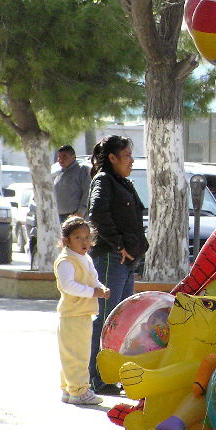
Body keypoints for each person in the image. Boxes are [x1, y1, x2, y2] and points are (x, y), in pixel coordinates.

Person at [86, 135, 148, 395]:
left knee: (122, 321)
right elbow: (97, 213)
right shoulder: (103, 180)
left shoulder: (122, 182)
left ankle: (113, 374)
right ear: (112, 158)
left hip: (127, 262)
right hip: (112, 259)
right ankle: (99, 377)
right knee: (106, 319)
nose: (131, 161)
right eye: (127, 156)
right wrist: (118, 244)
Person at [54, 216, 110, 406]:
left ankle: (69, 389)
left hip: (84, 313)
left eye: (87, 236)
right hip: (71, 314)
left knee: (78, 352)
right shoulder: (65, 261)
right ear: (67, 239)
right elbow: (68, 285)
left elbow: (93, 279)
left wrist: (100, 288)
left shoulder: (85, 258)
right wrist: (92, 292)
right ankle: (79, 390)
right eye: (78, 237)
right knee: (75, 354)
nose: (84, 241)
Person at [53, 145, 91, 222]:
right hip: (59, 217)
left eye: (64, 156)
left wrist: (81, 212)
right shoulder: (58, 174)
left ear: (73, 156)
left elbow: (88, 192)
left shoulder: (82, 170)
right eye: (59, 157)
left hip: (77, 216)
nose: (61, 160)